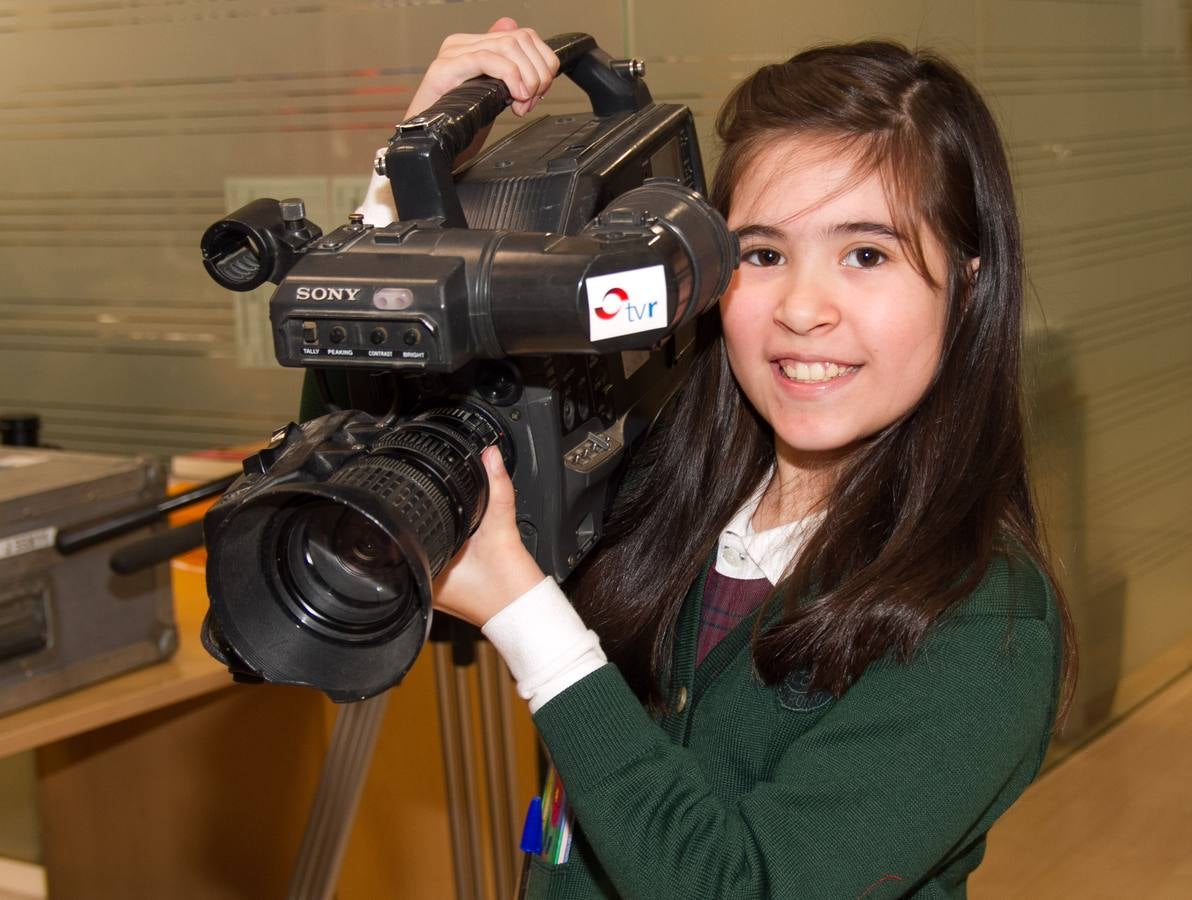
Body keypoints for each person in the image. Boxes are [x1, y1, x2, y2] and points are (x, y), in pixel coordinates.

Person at [364, 18, 1077, 899]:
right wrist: (399, 187)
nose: (804, 309)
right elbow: (377, 468)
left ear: (967, 288)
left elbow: (737, 886)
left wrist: (528, 618)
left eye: (866, 253)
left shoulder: (985, 621)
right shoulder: (655, 467)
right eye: (764, 254)